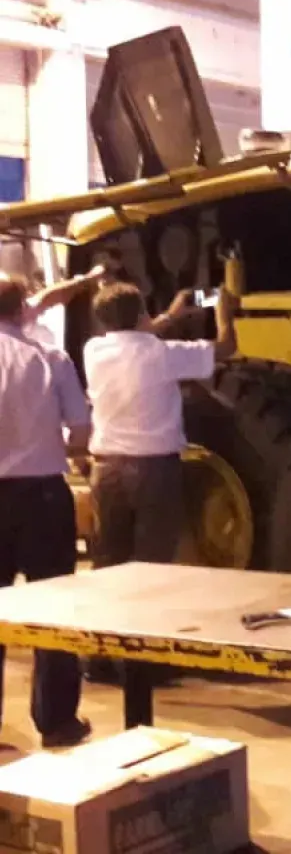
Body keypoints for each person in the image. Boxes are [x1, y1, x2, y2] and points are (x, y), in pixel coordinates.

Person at [0, 272, 94, 747]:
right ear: (22, 309)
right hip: (42, 497)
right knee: (53, 611)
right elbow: (80, 430)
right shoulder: (51, 359)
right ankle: (56, 721)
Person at [83, 283, 236, 568]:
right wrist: (223, 311)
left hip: (106, 469)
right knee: (153, 561)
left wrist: (170, 316)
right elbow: (227, 347)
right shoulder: (163, 354)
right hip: (153, 470)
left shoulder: (94, 351)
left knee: (108, 558)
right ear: (142, 312)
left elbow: (133, 337)